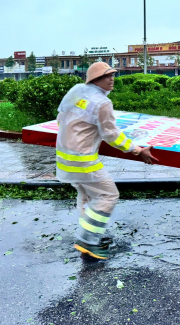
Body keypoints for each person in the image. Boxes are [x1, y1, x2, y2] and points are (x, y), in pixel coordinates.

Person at [56, 62, 157, 260]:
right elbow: (112, 135)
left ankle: (89, 237)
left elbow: (61, 119)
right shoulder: (102, 103)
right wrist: (137, 150)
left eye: (112, 75)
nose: (111, 79)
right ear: (95, 79)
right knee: (108, 195)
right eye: (106, 76)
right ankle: (87, 241)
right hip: (83, 160)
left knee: (88, 196)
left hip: (64, 157)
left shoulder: (78, 92)